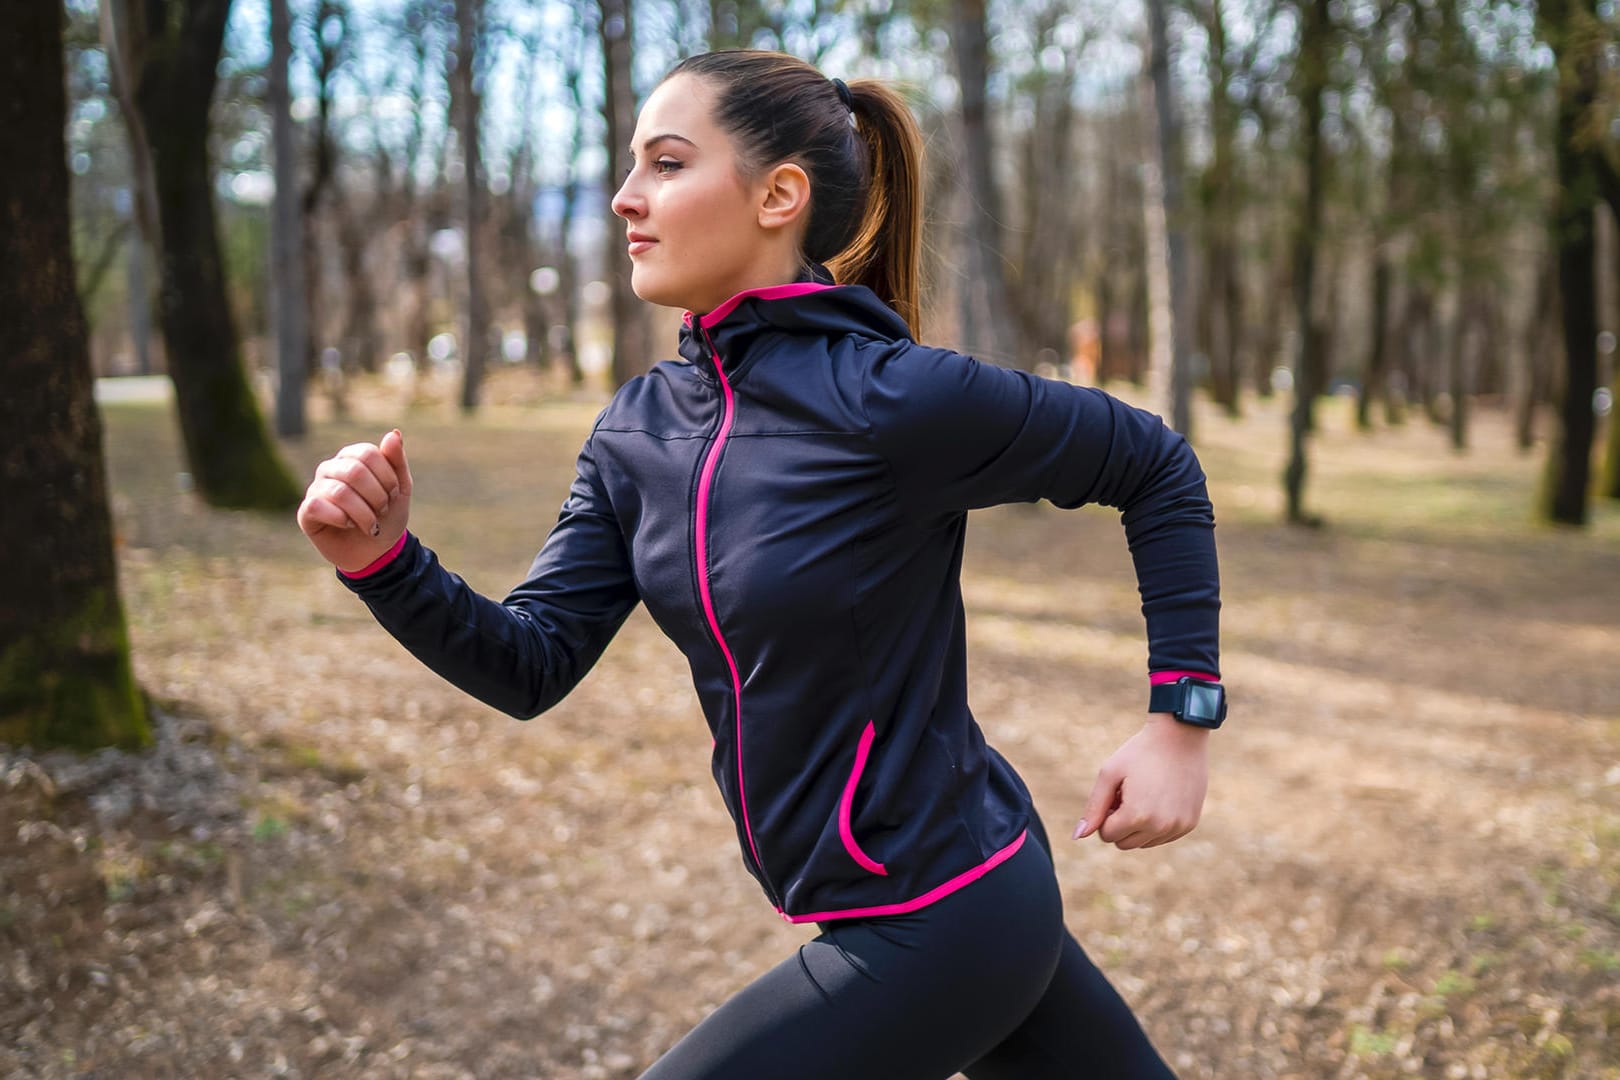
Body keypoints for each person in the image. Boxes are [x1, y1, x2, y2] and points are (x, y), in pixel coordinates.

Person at [297, 49, 1222, 1080]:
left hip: (948, 910)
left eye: (666, 163)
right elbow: (532, 662)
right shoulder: (638, 432)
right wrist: (385, 563)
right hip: (938, 901)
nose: (624, 197)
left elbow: (1155, 465)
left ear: (780, 195)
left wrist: (1179, 718)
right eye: (633, 165)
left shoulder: (894, 399)